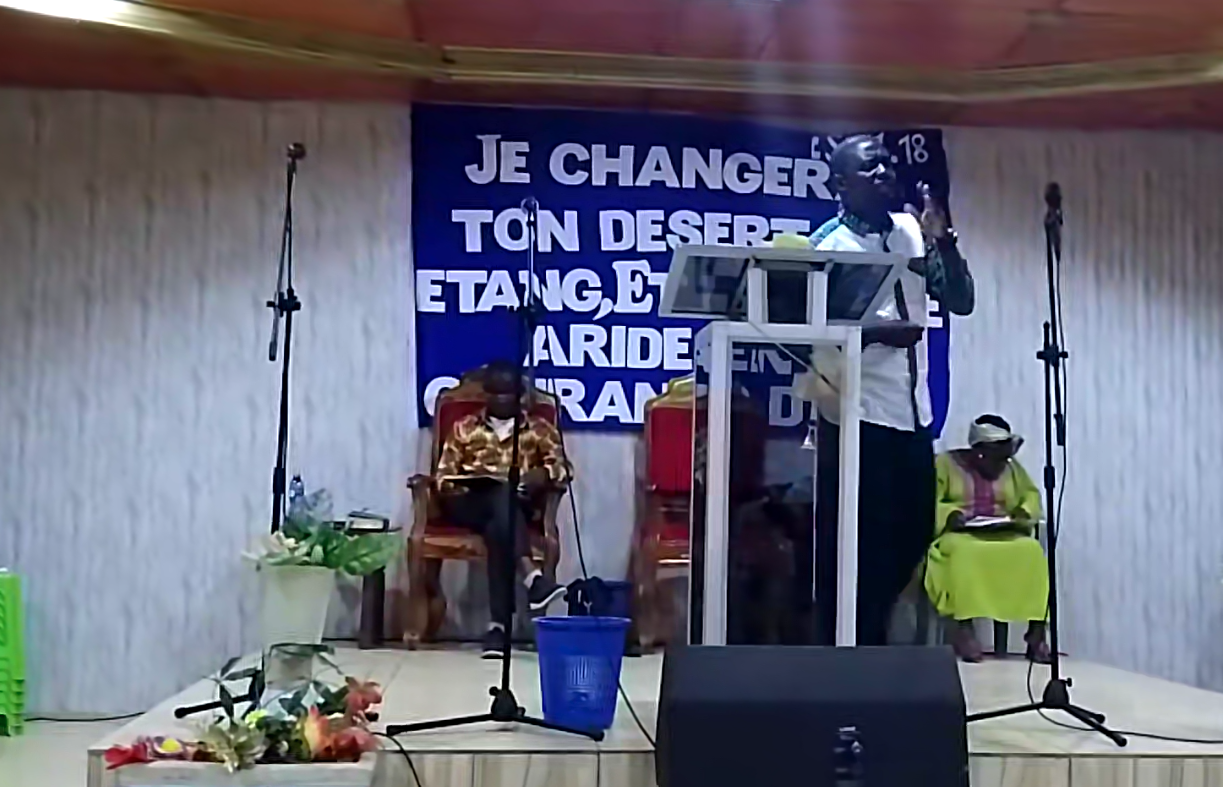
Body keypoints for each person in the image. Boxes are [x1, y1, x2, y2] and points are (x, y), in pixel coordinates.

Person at [809, 134, 974, 646]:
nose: (885, 173)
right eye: (871, 168)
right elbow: (806, 332)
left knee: (913, 533)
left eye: (886, 164)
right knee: (856, 545)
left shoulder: (910, 230)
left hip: (912, 413)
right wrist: (878, 334)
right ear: (842, 185)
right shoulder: (828, 246)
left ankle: (871, 637)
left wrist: (944, 239)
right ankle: (849, 650)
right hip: (856, 415)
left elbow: (960, 299)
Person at [434, 360, 570, 658]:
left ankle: (497, 628)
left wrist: (542, 474)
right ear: (486, 394)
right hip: (467, 505)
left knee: (500, 525)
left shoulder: (538, 430)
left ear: (520, 396)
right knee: (499, 496)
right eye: (494, 393)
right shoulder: (464, 428)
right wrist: (469, 484)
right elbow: (442, 476)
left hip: (513, 508)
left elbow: (563, 469)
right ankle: (531, 576)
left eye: (507, 393)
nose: (500, 399)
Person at [924, 415, 1051, 663]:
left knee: (1031, 551)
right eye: (995, 457)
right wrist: (950, 514)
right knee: (963, 554)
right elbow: (927, 501)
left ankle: (1036, 634)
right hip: (960, 535)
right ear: (978, 452)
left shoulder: (1011, 467)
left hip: (1004, 532)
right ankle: (964, 630)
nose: (1001, 464)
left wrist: (1023, 511)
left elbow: (1031, 496)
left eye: (1004, 457)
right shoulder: (945, 465)